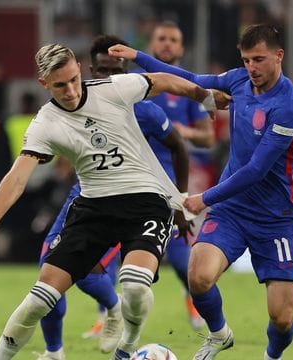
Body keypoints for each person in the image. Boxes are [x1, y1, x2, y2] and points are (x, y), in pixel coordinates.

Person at [0, 43, 224, 360]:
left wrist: (205, 96)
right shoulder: (45, 122)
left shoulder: (112, 89)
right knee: (38, 299)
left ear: (79, 68)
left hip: (146, 201)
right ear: (44, 84)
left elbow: (164, 80)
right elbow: (16, 178)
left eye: (74, 79)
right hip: (93, 208)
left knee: (133, 285)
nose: (71, 90)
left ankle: (127, 346)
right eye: (60, 85)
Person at [110, 23, 293, 360]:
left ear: (279, 56)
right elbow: (192, 80)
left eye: (259, 59)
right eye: (246, 60)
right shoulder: (239, 80)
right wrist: (138, 57)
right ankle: (219, 333)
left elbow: (256, 171)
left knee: (282, 318)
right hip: (232, 211)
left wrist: (204, 199)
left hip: (275, 218)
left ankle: (272, 355)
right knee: (199, 277)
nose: (252, 68)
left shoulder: (288, 107)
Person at [34, 34, 191, 360]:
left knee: (180, 270)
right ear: (91, 69)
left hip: (145, 200)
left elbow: (179, 146)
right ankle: (58, 348)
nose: (111, 78)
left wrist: (180, 199)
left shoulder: (143, 110)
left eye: (118, 70)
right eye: (104, 70)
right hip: (90, 198)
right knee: (51, 265)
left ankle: (205, 324)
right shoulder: (75, 106)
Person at [142, 21, 215, 330]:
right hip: (134, 174)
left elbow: (209, 138)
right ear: (151, 45)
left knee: (179, 250)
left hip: (172, 180)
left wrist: (181, 130)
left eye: (174, 39)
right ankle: (106, 314)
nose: (168, 44)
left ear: (182, 48)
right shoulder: (137, 81)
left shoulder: (188, 89)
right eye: (162, 39)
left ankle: (195, 299)